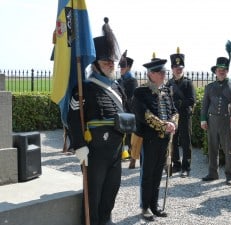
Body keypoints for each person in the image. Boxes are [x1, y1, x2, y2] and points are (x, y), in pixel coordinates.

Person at [67, 17, 126, 225]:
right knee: (93, 196)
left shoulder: (117, 87)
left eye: (112, 61)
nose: (111, 64)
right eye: (105, 61)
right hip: (94, 152)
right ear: (96, 65)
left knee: (111, 191)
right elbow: (73, 118)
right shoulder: (85, 88)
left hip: (116, 150)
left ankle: (105, 220)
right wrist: (79, 146)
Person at [132, 53, 178, 221]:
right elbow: (145, 115)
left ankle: (154, 205)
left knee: (159, 172)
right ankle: (144, 207)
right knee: (147, 173)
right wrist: (164, 125)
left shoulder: (166, 90)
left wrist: (173, 122)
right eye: (160, 72)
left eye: (164, 72)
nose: (164, 75)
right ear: (151, 74)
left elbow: (174, 111)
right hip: (149, 139)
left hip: (165, 139)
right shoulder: (140, 92)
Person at [200, 40, 231, 185]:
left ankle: (229, 175)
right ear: (215, 71)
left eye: (224, 69)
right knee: (212, 149)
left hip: (227, 121)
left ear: (227, 71)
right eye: (219, 69)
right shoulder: (209, 87)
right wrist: (203, 119)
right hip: (212, 121)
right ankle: (213, 173)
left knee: (229, 151)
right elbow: (204, 105)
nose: (221, 71)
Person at [166, 47, 196, 177]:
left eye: (181, 67)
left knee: (185, 142)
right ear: (172, 68)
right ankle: (176, 165)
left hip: (184, 116)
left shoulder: (188, 83)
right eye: (176, 67)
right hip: (173, 117)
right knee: (173, 140)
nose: (179, 69)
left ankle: (186, 167)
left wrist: (178, 104)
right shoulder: (169, 83)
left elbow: (192, 100)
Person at [117, 50, 139, 167]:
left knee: (130, 134)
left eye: (123, 67)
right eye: (120, 67)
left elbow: (130, 97)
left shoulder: (132, 80)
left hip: (129, 110)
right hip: (121, 109)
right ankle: (122, 152)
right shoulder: (120, 80)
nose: (121, 69)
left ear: (129, 67)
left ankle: (131, 153)